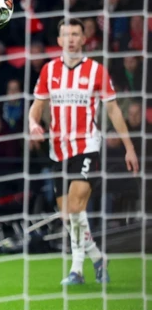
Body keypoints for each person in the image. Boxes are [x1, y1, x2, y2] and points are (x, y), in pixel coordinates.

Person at [29, 18, 139, 285]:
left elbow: (113, 109)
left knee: (77, 206)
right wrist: (33, 122)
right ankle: (99, 258)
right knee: (69, 216)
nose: (71, 39)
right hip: (59, 150)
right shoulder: (48, 71)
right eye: (66, 35)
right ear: (59, 41)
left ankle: (76, 270)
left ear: (83, 39)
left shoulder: (96, 71)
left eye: (76, 34)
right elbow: (37, 104)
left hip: (87, 145)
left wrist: (129, 147)